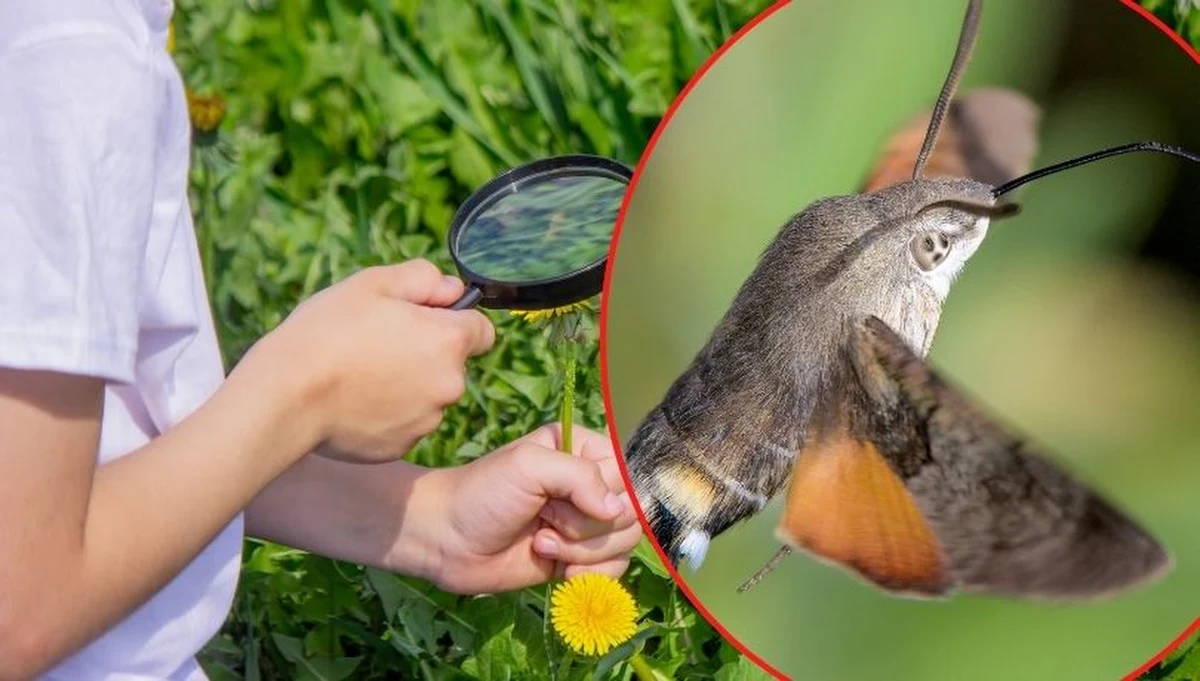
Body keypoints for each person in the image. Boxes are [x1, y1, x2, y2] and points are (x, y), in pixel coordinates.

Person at [0, 1, 640, 679]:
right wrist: (302, 392)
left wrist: (429, 517)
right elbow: (20, 601)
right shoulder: (69, 52)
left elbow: (79, 456)